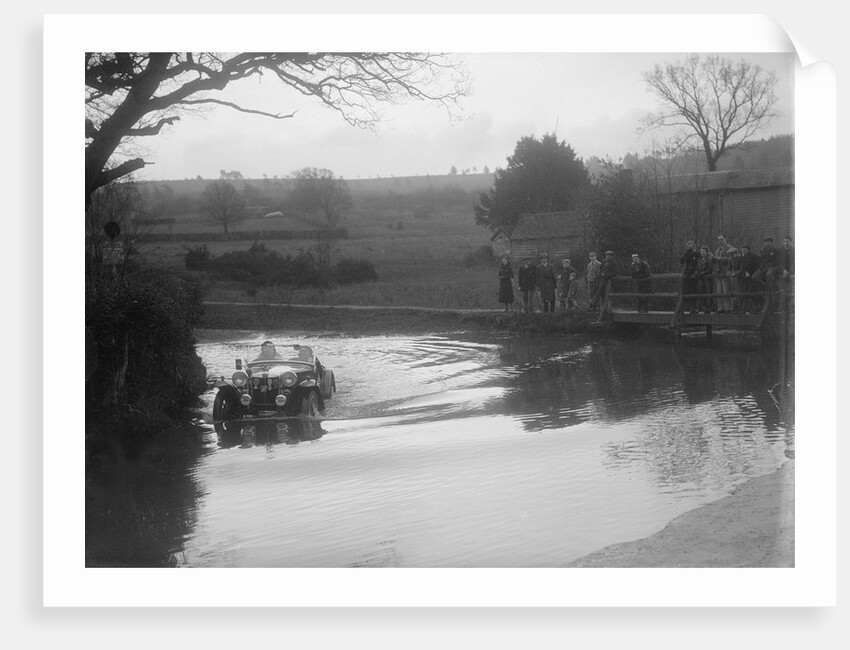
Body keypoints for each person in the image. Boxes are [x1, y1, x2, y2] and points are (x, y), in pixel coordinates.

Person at [594, 250, 619, 320]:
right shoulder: (604, 261)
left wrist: (604, 275)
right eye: (606, 255)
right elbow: (600, 269)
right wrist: (599, 274)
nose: (607, 256)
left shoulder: (614, 263)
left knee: (604, 294)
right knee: (598, 291)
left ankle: (603, 309)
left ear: (611, 256)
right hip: (600, 279)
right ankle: (597, 307)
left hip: (607, 281)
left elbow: (614, 273)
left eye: (609, 255)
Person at [736, 244, 761, 313]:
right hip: (744, 278)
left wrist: (752, 274)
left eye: (745, 250)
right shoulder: (741, 257)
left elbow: (758, 266)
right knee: (744, 293)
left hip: (752, 277)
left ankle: (755, 309)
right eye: (742, 251)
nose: (743, 252)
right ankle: (744, 309)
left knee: (753, 293)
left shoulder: (754, 257)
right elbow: (740, 267)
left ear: (748, 251)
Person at [713, 234, 735, 313]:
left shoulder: (729, 248)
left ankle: (729, 308)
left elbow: (732, 258)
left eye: (721, 239)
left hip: (726, 272)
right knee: (719, 291)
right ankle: (720, 308)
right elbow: (716, 261)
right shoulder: (717, 250)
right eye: (719, 240)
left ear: (725, 239)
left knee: (727, 290)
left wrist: (721, 258)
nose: (720, 241)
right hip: (719, 273)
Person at [679, 240, 700, 313]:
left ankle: (694, 308)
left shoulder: (697, 253)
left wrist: (697, 271)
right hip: (687, 274)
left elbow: (698, 263)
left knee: (694, 291)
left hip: (694, 275)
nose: (689, 246)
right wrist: (686, 254)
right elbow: (681, 261)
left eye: (691, 244)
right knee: (686, 292)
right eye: (688, 244)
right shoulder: (687, 254)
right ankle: (687, 309)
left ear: (693, 245)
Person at [695, 246, 715, 313]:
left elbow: (710, 269)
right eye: (701, 251)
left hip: (707, 278)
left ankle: (708, 308)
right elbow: (697, 268)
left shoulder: (709, 259)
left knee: (708, 292)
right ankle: (700, 307)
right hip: (700, 279)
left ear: (707, 252)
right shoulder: (699, 260)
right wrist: (697, 272)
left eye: (703, 251)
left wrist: (703, 273)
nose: (702, 253)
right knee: (700, 292)